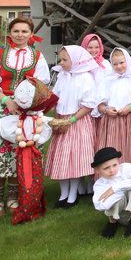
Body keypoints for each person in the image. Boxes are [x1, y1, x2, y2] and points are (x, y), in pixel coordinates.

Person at [0, 16, 51, 218]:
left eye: (24, 31)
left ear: (31, 34)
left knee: (20, 151)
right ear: (10, 33)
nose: (20, 35)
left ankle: (13, 198)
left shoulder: (37, 57)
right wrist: (6, 101)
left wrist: (27, 103)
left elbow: (41, 85)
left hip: (25, 111)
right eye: (16, 31)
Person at [45, 45, 98, 208]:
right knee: (61, 158)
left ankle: (73, 194)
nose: (61, 63)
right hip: (62, 120)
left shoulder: (85, 77)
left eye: (65, 60)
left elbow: (88, 105)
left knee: (74, 159)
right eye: (61, 59)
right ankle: (63, 193)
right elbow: (56, 98)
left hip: (77, 121)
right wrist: (57, 119)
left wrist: (72, 120)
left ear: (75, 60)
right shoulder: (62, 75)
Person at [0, 78, 56, 224]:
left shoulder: (38, 118)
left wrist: (64, 121)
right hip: (22, 152)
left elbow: (50, 122)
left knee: (34, 179)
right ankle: (27, 206)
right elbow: (7, 124)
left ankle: (33, 206)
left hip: (33, 153)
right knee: (25, 179)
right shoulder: (19, 118)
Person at [95, 47, 131, 167]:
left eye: (122, 62)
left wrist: (129, 108)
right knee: (112, 149)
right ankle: (111, 179)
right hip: (111, 121)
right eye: (115, 64)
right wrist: (106, 110)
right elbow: (99, 104)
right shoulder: (107, 80)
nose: (119, 66)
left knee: (130, 149)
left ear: (127, 61)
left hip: (129, 120)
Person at [91, 147, 131, 238]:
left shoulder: (126, 168)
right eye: (106, 168)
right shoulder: (100, 184)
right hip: (121, 216)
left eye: (115, 165)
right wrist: (120, 193)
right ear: (97, 170)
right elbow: (100, 205)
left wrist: (116, 188)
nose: (112, 170)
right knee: (112, 199)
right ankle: (112, 223)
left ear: (118, 162)